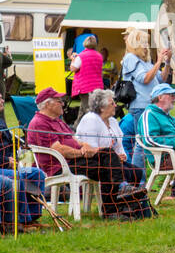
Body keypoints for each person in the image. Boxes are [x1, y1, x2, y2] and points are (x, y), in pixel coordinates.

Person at [25, 87, 147, 219]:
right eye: (59, 101)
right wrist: (81, 152)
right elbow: (58, 149)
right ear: (47, 104)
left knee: (108, 155)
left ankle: (123, 201)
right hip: (60, 166)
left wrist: (85, 146)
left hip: (74, 160)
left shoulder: (58, 120)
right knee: (107, 165)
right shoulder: (39, 123)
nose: (63, 103)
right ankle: (113, 206)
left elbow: (75, 139)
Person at [0, 84, 45, 225]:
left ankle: (33, 216)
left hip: (11, 165)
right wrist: (7, 161)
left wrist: (19, 154)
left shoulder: (0, 121)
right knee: (17, 177)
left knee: (37, 173)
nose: (2, 101)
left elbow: (10, 146)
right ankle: (21, 220)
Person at [76, 88, 145, 188]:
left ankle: (134, 199)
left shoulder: (112, 121)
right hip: (95, 162)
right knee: (125, 172)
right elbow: (91, 151)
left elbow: (119, 144)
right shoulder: (90, 119)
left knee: (137, 172)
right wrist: (116, 158)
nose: (115, 105)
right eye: (112, 103)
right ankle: (120, 198)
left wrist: (122, 156)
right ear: (102, 107)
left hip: (113, 161)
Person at [120, 28, 173, 120]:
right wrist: (159, 61)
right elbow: (145, 79)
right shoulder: (130, 58)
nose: (146, 45)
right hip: (140, 106)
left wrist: (167, 62)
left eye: (146, 42)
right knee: (144, 134)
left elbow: (162, 78)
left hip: (152, 105)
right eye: (143, 42)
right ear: (135, 44)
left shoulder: (146, 62)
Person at [68, 34, 105, 120]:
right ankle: (77, 127)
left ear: (84, 44)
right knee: (84, 108)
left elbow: (73, 68)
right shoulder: (99, 56)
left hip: (84, 87)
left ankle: (93, 126)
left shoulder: (81, 56)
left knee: (89, 110)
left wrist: (73, 59)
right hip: (97, 86)